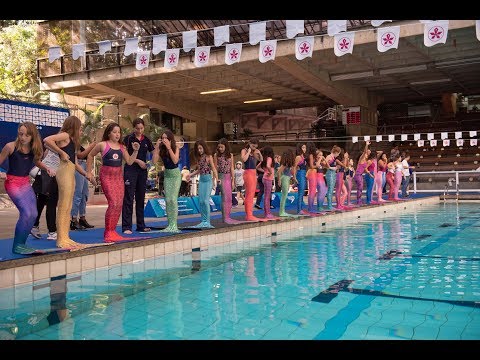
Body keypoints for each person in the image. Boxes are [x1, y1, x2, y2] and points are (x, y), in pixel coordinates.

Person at [0, 122, 55, 254]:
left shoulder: (34, 149)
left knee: (34, 214)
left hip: (25, 183)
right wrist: (1, 171)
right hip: (12, 182)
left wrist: (46, 168)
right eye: (21, 134)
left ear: (33, 136)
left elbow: (36, 162)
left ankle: (22, 244)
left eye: (27, 135)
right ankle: (17, 246)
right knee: (26, 213)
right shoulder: (10, 147)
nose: (23, 137)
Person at [44, 116, 96, 249]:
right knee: (64, 205)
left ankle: (65, 236)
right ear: (74, 126)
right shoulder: (65, 135)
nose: (81, 131)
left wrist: (86, 175)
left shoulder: (71, 140)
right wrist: (61, 152)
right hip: (64, 172)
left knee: (68, 205)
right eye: (80, 128)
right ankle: (61, 239)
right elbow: (46, 140)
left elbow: (75, 162)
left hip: (70, 171)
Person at [86, 122, 139, 242]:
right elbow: (90, 155)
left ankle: (113, 230)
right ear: (109, 133)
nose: (117, 134)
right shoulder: (102, 145)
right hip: (106, 176)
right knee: (113, 202)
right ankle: (108, 232)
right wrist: (89, 172)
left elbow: (130, 162)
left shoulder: (122, 147)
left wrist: (135, 151)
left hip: (118, 177)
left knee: (119, 204)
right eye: (114, 132)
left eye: (119, 132)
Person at [121, 118, 155, 234]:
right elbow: (125, 156)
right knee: (129, 198)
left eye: (141, 128)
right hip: (131, 169)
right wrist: (138, 161)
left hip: (142, 172)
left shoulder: (147, 140)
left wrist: (148, 163)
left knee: (141, 198)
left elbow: (153, 153)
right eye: (137, 128)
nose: (139, 131)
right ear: (133, 128)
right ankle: (126, 226)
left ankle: (141, 225)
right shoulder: (128, 139)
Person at [151, 130, 181, 232]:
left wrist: (169, 148)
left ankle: (174, 225)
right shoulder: (161, 149)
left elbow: (175, 160)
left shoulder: (175, 147)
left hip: (175, 175)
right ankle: (170, 225)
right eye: (162, 138)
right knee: (168, 200)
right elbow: (154, 161)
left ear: (170, 139)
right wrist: (156, 147)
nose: (164, 140)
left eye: (166, 138)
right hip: (167, 175)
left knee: (173, 199)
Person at [187, 139, 218, 228]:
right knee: (200, 201)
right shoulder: (199, 158)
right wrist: (191, 175)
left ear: (204, 147)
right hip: (201, 180)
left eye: (201, 148)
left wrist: (216, 179)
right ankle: (203, 221)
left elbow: (213, 168)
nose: (199, 150)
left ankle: (207, 222)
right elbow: (199, 170)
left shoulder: (209, 157)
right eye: (198, 149)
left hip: (208, 180)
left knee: (205, 201)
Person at [31, 148, 59, 241]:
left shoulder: (52, 145)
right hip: (49, 175)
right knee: (51, 203)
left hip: (44, 174)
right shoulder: (58, 143)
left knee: (41, 201)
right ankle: (51, 231)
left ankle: (34, 226)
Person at [70, 142, 96, 231]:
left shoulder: (78, 142)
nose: (80, 131)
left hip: (84, 165)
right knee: (78, 193)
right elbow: (80, 155)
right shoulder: (72, 141)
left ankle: (82, 217)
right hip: (78, 166)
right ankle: (73, 219)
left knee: (85, 194)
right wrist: (91, 146)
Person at [214, 138, 240, 224]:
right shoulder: (216, 155)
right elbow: (215, 168)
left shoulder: (230, 155)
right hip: (221, 176)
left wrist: (233, 180)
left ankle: (228, 216)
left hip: (229, 177)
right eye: (219, 147)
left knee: (229, 198)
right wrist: (216, 179)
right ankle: (225, 217)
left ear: (226, 146)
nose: (220, 149)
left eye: (222, 147)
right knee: (225, 197)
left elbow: (232, 167)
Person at [240, 138, 265, 222]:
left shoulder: (254, 151)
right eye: (253, 144)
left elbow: (261, 160)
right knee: (249, 194)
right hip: (248, 173)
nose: (255, 145)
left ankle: (250, 214)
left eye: (256, 144)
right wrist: (249, 151)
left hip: (254, 173)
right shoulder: (244, 150)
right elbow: (244, 159)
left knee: (251, 194)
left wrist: (259, 153)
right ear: (249, 143)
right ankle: (249, 215)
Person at [277, 149, 297, 217]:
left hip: (286, 178)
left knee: (284, 195)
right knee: (284, 196)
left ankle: (282, 211)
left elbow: (293, 171)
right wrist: (279, 180)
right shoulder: (285, 164)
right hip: (285, 178)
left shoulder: (287, 163)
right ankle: (281, 212)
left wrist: (294, 177)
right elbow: (279, 171)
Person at [260, 146, 277, 219]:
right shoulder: (269, 158)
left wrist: (265, 171)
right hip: (268, 179)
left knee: (266, 196)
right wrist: (269, 172)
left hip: (265, 178)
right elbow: (268, 165)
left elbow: (257, 167)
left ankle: (266, 212)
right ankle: (267, 213)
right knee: (267, 196)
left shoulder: (264, 159)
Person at [293, 142, 308, 214]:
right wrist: (294, 178)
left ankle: (300, 209)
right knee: (300, 193)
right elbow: (294, 167)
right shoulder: (298, 157)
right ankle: (299, 210)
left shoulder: (303, 157)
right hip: (300, 174)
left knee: (302, 193)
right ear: (300, 148)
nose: (304, 149)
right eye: (303, 147)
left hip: (303, 174)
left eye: (305, 147)